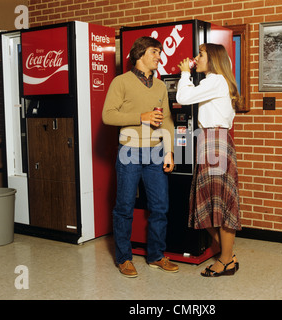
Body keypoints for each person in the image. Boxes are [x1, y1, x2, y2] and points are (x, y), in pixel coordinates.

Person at [102, 36, 179, 278]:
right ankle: (124, 258)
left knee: (160, 207)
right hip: (129, 151)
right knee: (124, 207)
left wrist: (169, 151)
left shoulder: (159, 86)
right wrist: (141, 117)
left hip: (156, 151)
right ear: (140, 53)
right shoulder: (121, 82)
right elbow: (108, 116)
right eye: (155, 52)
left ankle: (156, 255)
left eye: (159, 53)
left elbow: (166, 120)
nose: (159, 56)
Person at [177, 43, 242, 277]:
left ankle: (225, 260)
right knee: (208, 203)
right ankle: (228, 257)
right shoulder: (217, 81)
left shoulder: (214, 80)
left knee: (219, 204)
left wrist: (185, 72)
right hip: (211, 141)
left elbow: (183, 97)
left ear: (213, 59)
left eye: (200, 54)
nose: (196, 58)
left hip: (214, 142)